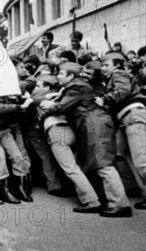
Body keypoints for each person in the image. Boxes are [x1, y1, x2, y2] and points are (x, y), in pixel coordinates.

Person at [41, 62, 132, 217]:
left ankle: (120, 205)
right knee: (101, 163)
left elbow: (61, 107)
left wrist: (49, 104)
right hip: (95, 123)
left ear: (70, 76)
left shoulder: (75, 87)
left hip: (93, 124)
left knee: (103, 165)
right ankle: (114, 201)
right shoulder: (80, 85)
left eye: (61, 74)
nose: (58, 76)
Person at [98, 53, 146, 210]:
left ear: (116, 65)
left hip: (133, 116)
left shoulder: (119, 73)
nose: (103, 68)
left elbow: (123, 90)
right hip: (126, 120)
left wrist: (104, 99)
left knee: (141, 161)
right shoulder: (114, 76)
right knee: (121, 155)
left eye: (106, 64)